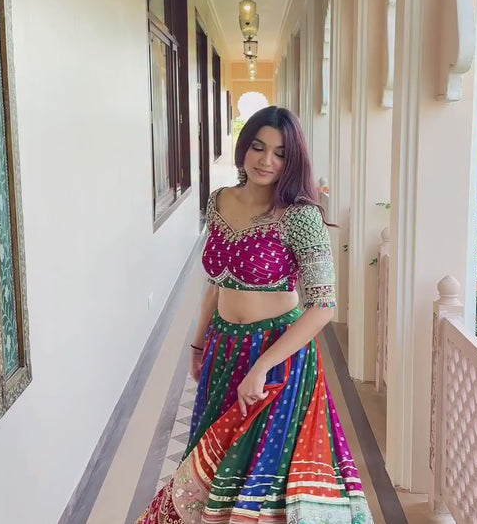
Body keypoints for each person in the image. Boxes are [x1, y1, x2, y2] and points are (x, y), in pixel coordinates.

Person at [137, 106, 373, 524]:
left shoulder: (300, 216)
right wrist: (198, 344)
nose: (266, 161)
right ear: (244, 148)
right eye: (258, 148)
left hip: (278, 357)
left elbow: (323, 307)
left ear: (292, 160)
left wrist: (263, 365)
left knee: (262, 470)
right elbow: (216, 284)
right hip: (223, 348)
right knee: (214, 457)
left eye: (280, 153)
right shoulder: (219, 201)